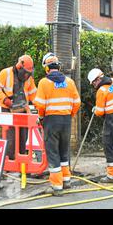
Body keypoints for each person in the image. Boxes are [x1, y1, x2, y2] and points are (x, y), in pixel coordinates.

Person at [34, 53, 81, 196]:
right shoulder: (70, 82)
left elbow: (40, 105)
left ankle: (57, 186)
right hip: (66, 120)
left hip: (51, 121)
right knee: (63, 151)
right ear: (58, 66)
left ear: (47, 68)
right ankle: (66, 181)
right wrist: (70, 115)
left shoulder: (44, 82)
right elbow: (77, 103)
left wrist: (41, 117)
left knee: (53, 152)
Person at [0, 55, 37, 160]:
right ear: (20, 67)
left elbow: (34, 94)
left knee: (23, 137)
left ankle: (20, 160)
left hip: (22, 111)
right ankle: (9, 162)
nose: (27, 75)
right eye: (26, 72)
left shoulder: (29, 78)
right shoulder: (6, 73)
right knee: (10, 138)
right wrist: (4, 99)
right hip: (8, 110)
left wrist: (39, 105)